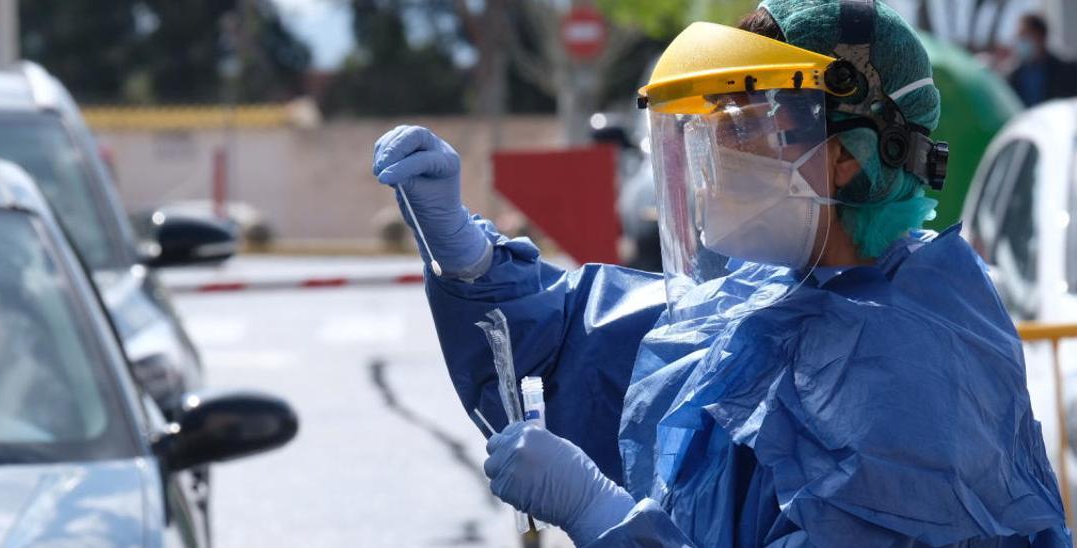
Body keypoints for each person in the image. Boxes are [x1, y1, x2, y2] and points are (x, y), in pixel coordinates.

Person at [372, 0, 1071, 546]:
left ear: (848, 155)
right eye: (711, 128)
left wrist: (605, 518)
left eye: (743, 126)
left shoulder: (914, 380)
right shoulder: (774, 293)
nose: (712, 159)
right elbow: (583, 340)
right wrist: (467, 255)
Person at [1008, 13, 1077, 107]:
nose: (1020, 41)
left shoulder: (1068, 70)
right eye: (1019, 36)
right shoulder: (1013, 75)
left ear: (1041, 36)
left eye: (1024, 35)